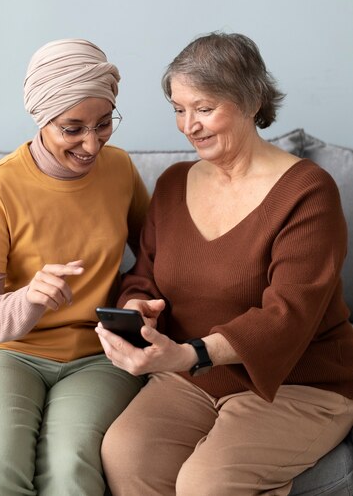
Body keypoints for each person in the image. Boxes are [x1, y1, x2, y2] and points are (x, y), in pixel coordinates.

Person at [96, 32, 353, 496]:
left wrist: (190, 353)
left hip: (299, 383)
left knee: (206, 484)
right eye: (179, 109)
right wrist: (136, 309)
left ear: (252, 100)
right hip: (193, 380)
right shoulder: (174, 184)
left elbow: (289, 315)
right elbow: (144, 275)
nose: (188, 125)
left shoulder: (308, 191)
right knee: (125, 453)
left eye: (204, 108)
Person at [0, 38, 149, 496]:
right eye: (72, 129)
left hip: (96, 358)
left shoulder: (120, 171)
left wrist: (137, 299)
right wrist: (28, 298)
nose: (92, 144)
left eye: (103, 124)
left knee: (70, 471)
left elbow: (155, 257)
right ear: (42, 118)